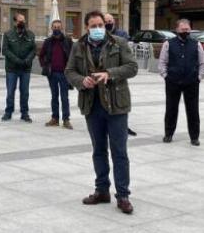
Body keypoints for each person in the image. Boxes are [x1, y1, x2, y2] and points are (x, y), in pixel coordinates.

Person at [66, 11, 139, 214]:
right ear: (86, 27)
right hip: (92, 105)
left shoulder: (119, 43)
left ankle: (123, 195)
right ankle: (102, 190)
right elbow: (69, 71)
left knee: (119, 152)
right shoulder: (78, 46)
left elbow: (132, 67)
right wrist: (82, 81)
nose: (98, 29)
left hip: (116, 105)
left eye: (101, 25)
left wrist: (110, 74)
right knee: (99, 150)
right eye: (94, 25)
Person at [159, 19, 204, 146]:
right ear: (177, 30)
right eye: (183, 29)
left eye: (187, 29)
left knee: (193, 110)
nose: (185, 32)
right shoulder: (168, 44)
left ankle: (194, 137)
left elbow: (202, 63)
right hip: (172, 82)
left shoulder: (196, 44)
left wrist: (199, 77)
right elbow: (162, 62)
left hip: (192, 82)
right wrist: (166, 76)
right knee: (171, 109)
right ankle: (168, 134)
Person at [105, 12, 136, 136]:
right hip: (104, 73)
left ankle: (124, 127)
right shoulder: (100, 34)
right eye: (106, 21)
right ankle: (107, 126)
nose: (108, 23)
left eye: (110, 21)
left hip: (118, 73)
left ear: (114, 21)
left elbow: (127, 56)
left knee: (121, 101)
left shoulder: (122, 34)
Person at [1, 13, 36, 122]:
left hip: (25, 68)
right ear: (15, 22)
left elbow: (34, 50)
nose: (22, 23)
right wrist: (17, 60)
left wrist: (27, 60)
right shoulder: (8, 34)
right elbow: (5, 50)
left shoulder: (30, 34)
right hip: (12, 68)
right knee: (10, 91)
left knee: (25, 92)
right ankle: (8, 112)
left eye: (24, 21)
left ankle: (24, 113)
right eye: (20, 21)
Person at [39, 19, 73, 129]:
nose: (56, 29)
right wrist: (45, 65)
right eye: (54, 27)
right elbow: (41, 55)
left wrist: (71, 69)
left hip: (64, 74)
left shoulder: (68, 41)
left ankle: (66, 119)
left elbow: (73, 56)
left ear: (62, 28)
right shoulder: (48, 41)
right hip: (52, 74)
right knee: (54, 96)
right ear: (51, 28)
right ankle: (55, 118)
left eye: (58, 27)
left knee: (64, 97)